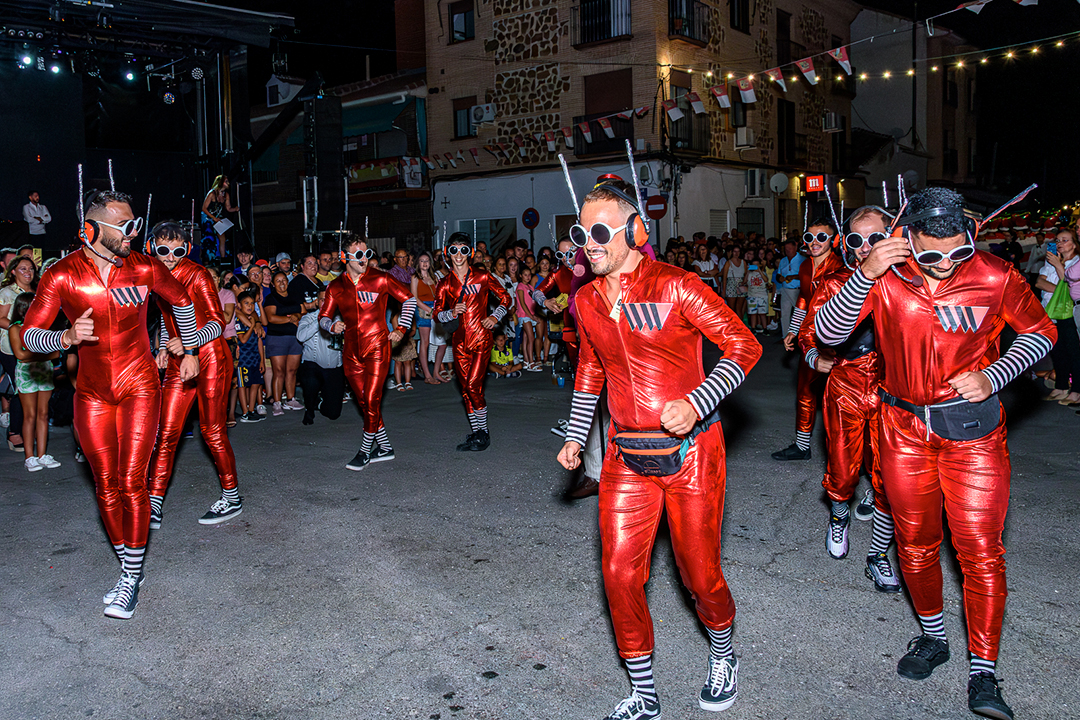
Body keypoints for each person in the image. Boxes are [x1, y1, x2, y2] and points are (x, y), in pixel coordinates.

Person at [814, 186, 1056, 720]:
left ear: (971, 239)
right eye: (930, 254)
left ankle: (984, 672)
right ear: (907, 240)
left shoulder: (995, 275)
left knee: (980, 553)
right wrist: (865, 274)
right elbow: (829, 335)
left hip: (972, 435)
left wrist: (996, 373)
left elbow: (1041, 332)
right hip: (902, 429)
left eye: (958, 252)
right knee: (915, 544)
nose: (945, 264)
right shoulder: (887, 276)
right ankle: (932, 636)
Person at [555, 178, 761, 720]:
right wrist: (578, 436)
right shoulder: (584, 299)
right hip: (626, 457)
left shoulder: (678, 285)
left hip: (693, 453)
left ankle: (723, 654)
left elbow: (745, 344)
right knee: (620, 572)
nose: (588, 243)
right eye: (581, 232)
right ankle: (644, 692)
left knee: (699, 575)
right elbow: (592, 367)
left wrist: (699, 400)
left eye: (600, 232)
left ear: (635, 231)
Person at [22, 189, 201, 620]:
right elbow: (29, 338)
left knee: (132, 482)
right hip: (93, 393)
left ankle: (129, 579)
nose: (132, 232)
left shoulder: (144, 266)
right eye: (124, 226)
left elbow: (183, 302)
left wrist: (189, 347)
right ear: (91, 229)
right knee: (105, 484)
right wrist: (64, 338)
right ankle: (129, 565)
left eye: (134, 223)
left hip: (141, 384)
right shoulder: (62, 275)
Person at [797, 206, 899, 591]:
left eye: (875, 238)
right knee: (842, 469)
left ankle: (878, 555)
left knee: (891, 478)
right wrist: (814, 358)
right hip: (847, 385)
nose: (865, 248)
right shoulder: (837, 282)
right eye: (856, 240)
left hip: (894, 388)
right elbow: (809, 334)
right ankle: (838, 518)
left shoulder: (910, 282)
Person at [147, 222, 242, 527]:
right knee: (166, 432)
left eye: (178, 250)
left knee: (212, 431)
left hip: (212, 357)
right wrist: (163, 346)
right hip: (179, 359)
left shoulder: (197, 274)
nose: (171, 256)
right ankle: (154, 502)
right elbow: (165, 318)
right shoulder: (155, 275)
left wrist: (188, 343)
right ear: (152, 248)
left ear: (187, 249)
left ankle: (232, 497)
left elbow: (217, 323)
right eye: (164, 250)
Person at [320, 236, 416, 469]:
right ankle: (384, 447)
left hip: (377, 347)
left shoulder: (381, 278)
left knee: (372, 399)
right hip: (351, 351)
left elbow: (410, 300)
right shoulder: (335, 286)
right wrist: (332, 326)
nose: (365, 259)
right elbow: (323, 318)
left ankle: (364, 451)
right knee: (364, 401)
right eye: (359, 255)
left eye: (367, 254)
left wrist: (401, 329)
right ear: (345, 258)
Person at [773, 218, 842, 461]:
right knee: (804, 392)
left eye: (821, 237)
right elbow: (804, 298)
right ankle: (802, 446)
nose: (814, 242)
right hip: (810, 338)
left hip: (837, 343)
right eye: (809, 237)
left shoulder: (841, 269)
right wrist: (793, 330)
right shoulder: (804, 266)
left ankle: (846, 455)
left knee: (840, 401)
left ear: (833, 241)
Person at [434, 233, 510, 451]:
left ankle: (483, 433)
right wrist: (450, 312)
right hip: (458, 343)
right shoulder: (444, 283)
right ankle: (477, 432)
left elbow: (506, 298)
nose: (459, 255)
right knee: (466, 390)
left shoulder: (483, 276)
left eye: (463, 250)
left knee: (472, 386)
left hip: (481, 340)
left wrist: (495, 316)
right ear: (448, 252)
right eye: (454, 250)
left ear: (470, 252)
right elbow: (437, 313)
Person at [7, 292, 61, 471]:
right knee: (29, 415)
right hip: (26, 374)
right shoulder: (15, 328)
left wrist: (36, 355)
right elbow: (20, 355)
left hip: (43, 371)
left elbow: (56, 353)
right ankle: (29, 457)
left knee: (43, 414)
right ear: (24, 308)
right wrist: (42, 354)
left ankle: (42, 454)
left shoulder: (44, 326)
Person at [1037, 228, 1080, 405]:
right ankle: (1061, 386)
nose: (1060, 243)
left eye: (1065, 240)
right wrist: (1060, 292)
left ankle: (1076, 390)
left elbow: (1068, 283)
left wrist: (1058, 266)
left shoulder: (1075, 262)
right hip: (1050, 310)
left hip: (1068, 312)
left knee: (1074, 352)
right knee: (1057, 350)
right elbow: (1039, 282)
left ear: (1074, 244)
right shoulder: (1050, 262)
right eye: (1058, 240)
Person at [0, 255, 39, 452]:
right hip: (11, 347)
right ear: (13, 271)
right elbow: (0, 319)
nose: (28, 272)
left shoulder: (39, 291)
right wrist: (21, 328)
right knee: (20, 388)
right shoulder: (7, 292)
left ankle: (31, 426)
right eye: (23, 268)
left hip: (36, 346)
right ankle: (14, 432)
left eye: (31, 269)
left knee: (35, 387)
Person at [263, 271, 310, 415]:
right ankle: (277, 402)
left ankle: (291, 399)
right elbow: (271, 318)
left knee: (292, 371)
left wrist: (296, 316)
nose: (282, 283)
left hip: (295, 338)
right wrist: (291, 319)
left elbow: (304, 312)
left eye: (284, 280)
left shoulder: (295, 296)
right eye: (278, 281)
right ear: (273, 283)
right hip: (277, 338)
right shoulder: (271, 298)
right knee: (279, 371)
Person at [297, 289, 345, 425]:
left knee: (333, 413)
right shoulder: (308, 318)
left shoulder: (340, 318)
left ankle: (318, 403)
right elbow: (300, 337)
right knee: (310, 380)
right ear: (317, 302)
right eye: (323, 299)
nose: (326, 302)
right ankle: (309, 408)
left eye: (328, 299)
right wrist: (321, 320)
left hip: (334, 365)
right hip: (312, 364)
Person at [233, 291, 266, 423]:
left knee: (256, 383)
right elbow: (243, 340)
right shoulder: (239, 321)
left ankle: (252, 410)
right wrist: (252, 326)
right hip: (243, 359)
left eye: (252, 303)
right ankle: (245, 413)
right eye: (246, 303)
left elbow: (259, 341)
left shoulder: (254, 318)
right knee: (242, 385)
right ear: (239, 305)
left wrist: (262, 360)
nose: (250, 306)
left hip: (255, 358)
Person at [411, 251, 442, 384]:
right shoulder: (415, 277)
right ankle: (427, 375)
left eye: (427, 261)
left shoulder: (434, 277)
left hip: (435, 308)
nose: (424, 263)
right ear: (418, 263)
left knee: (442, 343)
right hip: (422, 309)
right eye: (422, 261)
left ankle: (436, 372)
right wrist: (428, 309)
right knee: (425, 343)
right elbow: (414, 298)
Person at [201, 175, 237, 263]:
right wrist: (213, 218)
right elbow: (204, 208)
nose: (227, 183)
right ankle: (209, 259)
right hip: (208, 218)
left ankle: (223, 259)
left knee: (222, 238)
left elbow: (228, 208)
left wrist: (235, 209)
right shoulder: (212, 193)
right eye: (226, 181)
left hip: (217, 218)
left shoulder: (226, 195)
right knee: (210, 238)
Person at [515, 265, 542, 371]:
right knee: (531, 338)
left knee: (526, 338)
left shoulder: (530, 287)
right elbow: (522, 303)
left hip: (530, 314)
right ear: (521, 276)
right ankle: (531, 362)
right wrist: (531, 316)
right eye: (525, 275)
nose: (527, 277)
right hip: (524, 315)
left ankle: (526, 361)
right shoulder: (520, 286)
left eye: (529, 275)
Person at [775, 240, 804, 336]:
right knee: (785, 314)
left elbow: (805, 276)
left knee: (799, 314)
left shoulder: (802, 260)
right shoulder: (783, 260)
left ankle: (801, 334)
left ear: (795, 248)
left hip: (797, 290)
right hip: (785, 289)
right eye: (786, 249)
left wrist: (793, 277)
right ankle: (785, 335)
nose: (788, 251)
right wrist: (780, 278)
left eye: (790, 249)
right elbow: (779, 274)